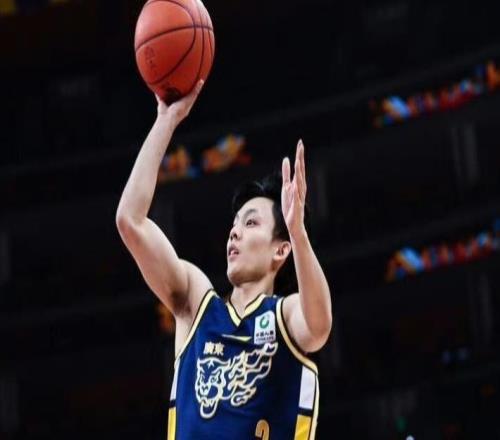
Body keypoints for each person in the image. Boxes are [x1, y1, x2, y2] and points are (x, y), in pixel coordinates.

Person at [116, 80, 333, 439]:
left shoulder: (285, 315)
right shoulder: (197, 307)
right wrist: (165, 121)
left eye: (251, 223)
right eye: (234, 224)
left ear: (280, 250)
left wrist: (298, 233)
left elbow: (319, 324)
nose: (234, 232)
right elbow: (130, 221)